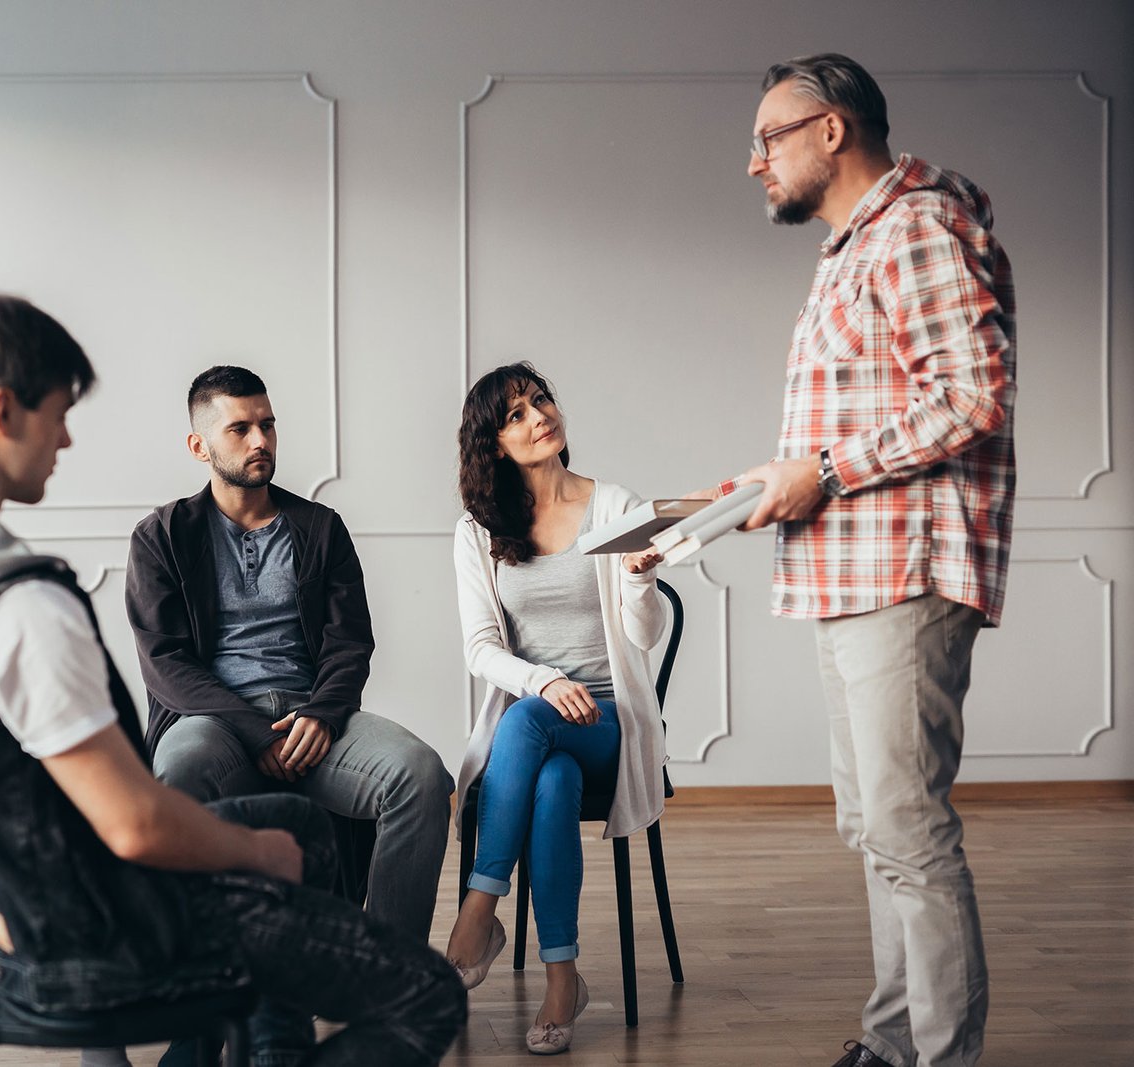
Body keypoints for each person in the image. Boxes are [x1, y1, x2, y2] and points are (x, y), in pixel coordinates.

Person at [0, 292, 465, 1067]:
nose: (66, 438)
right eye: (58, 414)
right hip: (104, 926)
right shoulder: (22, 604)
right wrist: (253, 852)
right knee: (429, 993)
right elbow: (134, 826)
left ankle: (268, 1049)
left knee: (302, 825)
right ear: (3, 411)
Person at [717, 54, 1016, 1067]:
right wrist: (776, 481)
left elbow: (971, 396)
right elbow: (858, 421)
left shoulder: (918, 226)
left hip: (902, 576)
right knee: (877, 827)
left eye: (768, 138)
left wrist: (823, 471)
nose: (754, 161)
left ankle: (941, 1057)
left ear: (831, 130)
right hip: (851, 575)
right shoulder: (855, 246)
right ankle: (892, 1044)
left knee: (908, 830)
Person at [125, 365, 454, 947]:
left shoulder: (320, 527)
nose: (260, 440)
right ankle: (208, 969)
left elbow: (350, 642)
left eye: (268, 425)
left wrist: (322, 714)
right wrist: (256, 733)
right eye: (240, 429)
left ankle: (386, 969)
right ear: (199, 446)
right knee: (178, 772)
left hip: (312, 716)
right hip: (215, 721)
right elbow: (165, 661)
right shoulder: (162, 536)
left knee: (420, 775)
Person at [444, 362, 668, 1056]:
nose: (538, 415)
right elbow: (480, 648)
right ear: (493, 443)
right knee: (552, 780)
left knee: (528, 723)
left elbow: (644, 637)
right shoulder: (479, 529)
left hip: (609, 719)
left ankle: (479, 909)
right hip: (537, 729)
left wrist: (640, 580)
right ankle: (562, 981)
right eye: (515, 414)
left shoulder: (615, 505)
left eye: (540, 400)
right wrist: (542, 680)